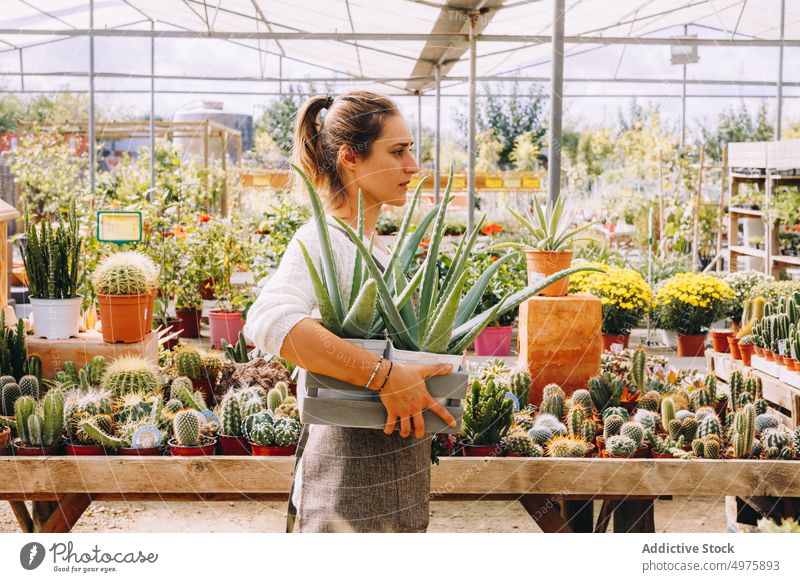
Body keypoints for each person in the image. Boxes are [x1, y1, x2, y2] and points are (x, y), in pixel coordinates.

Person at [244, 91, 457, 533]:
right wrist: (384, 377)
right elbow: (269, 321)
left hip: (391, 470)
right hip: (346, 476)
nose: (412, 166)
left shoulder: (373, 245)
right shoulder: (324, 240)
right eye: (397, 152)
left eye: (410, 150)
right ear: (350, 157)